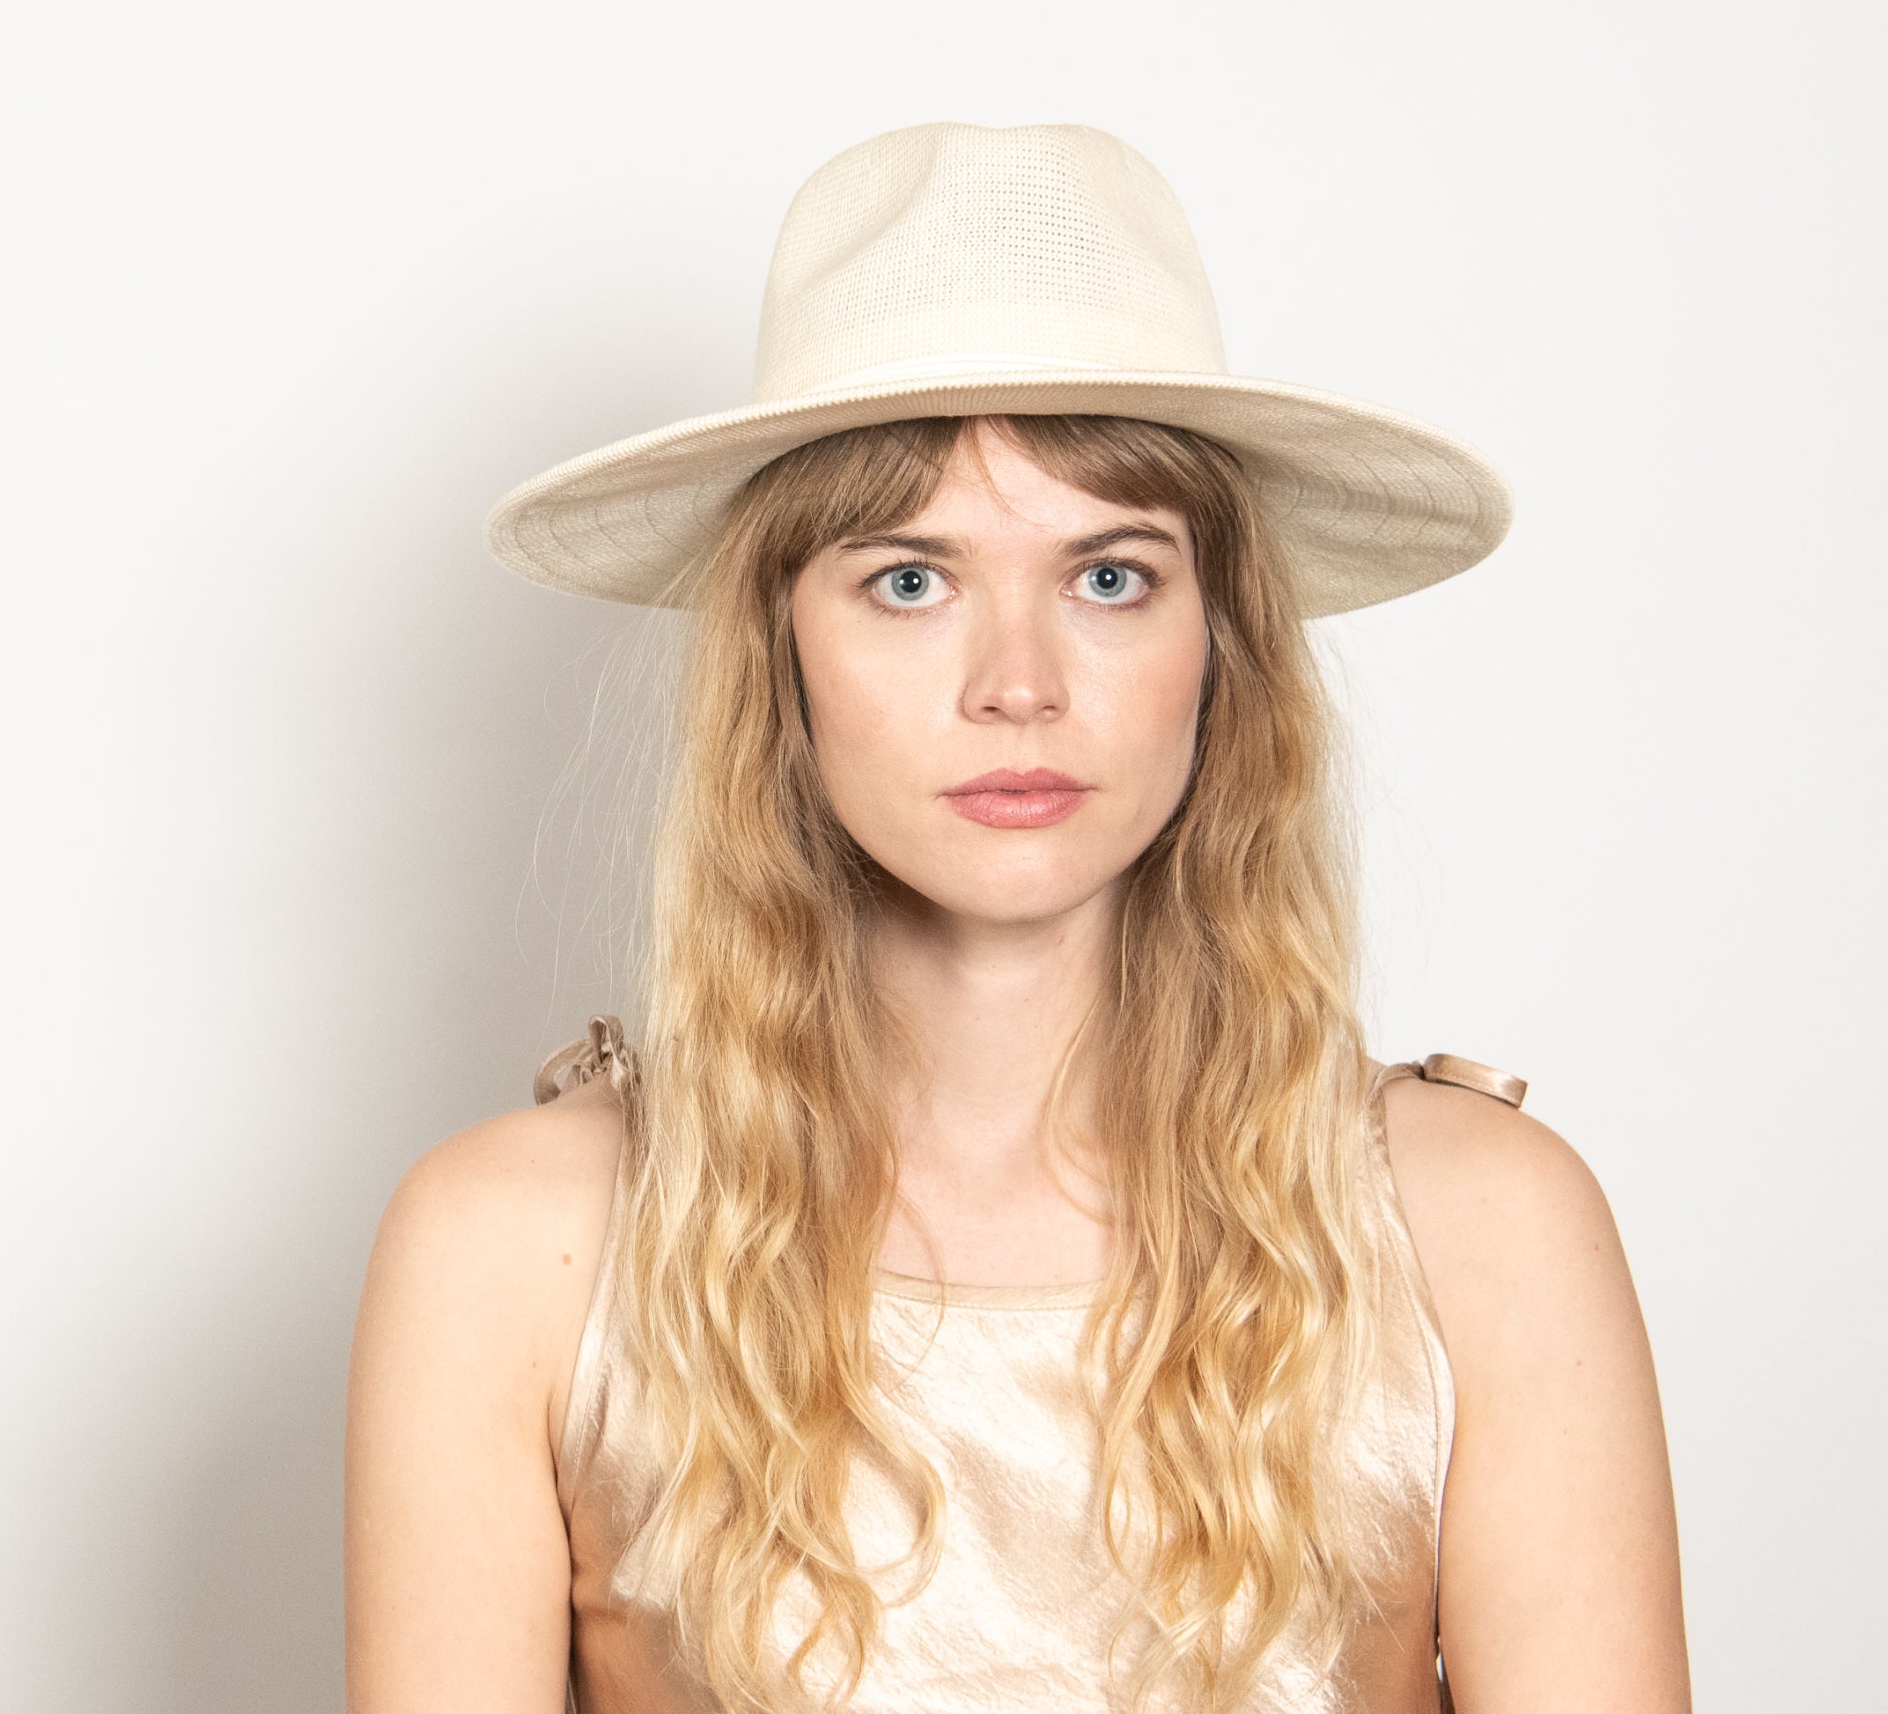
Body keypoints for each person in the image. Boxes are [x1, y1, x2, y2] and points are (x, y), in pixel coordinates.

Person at [344, 123, 1693, 1714]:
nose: (1021, 685)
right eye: (910, 579)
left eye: (1111, 577)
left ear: (1222, 649)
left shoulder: (1480, 1230)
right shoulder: (516, 1251)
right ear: (780, 657)